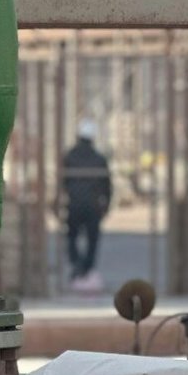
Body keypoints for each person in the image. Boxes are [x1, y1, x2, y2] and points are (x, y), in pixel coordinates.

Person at [60, 120, 113, 291]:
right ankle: (86, 268)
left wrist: (60, 200)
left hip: (74, 204)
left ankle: (77, 265)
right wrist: (106, 205)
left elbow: (63, 182)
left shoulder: (69, 157)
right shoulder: (99, 159)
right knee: (92, 240)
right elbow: (107, 185)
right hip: (93, 206)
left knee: (71, 237)